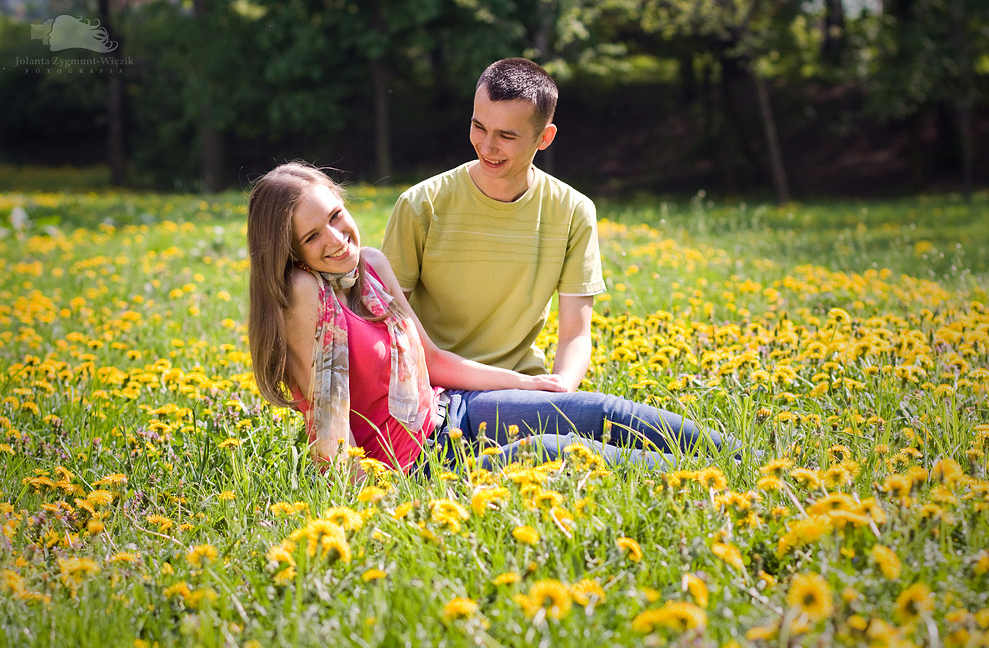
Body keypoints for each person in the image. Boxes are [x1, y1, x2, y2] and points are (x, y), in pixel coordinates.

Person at [248, 162, 731, 479]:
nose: (337, 237)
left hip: (447, 414)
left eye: (336, 215)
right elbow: (330, 431)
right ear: (290, 253)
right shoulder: (301, 292)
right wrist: (381, 501)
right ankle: (708, 480)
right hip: (414, 466)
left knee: (596, 412)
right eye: (313, 236)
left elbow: (431, 361)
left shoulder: (371, 265)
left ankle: (740, 457)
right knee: (554, 449)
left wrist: (526, 383)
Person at [381, 57, 603, 393]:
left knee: (599, 421)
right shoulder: (421, 204)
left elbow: (575, 334)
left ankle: (708, 446)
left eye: (506, 136)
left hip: (523, 387)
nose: (487, 146)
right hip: (434, 387)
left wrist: (561, 392)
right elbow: (384, 323)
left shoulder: (573, 211)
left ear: (544, 138)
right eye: (479, 126)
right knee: (596, 422)